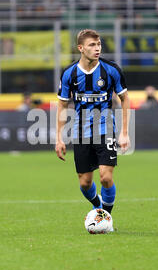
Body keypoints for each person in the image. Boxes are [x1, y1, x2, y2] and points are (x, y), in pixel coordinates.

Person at [55, 29, 131, 220]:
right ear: (81, 48)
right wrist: (59, 138)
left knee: (106, 177)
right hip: (80, 132)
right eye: (92, 45)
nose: (97, 48)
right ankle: (98, 207)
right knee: (85, 183)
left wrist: (124, 132)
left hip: (105, 129)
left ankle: (106, 217)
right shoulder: (69, 73)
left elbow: (125, 99)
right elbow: (62, 105)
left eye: (98, 45)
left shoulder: (111, 70)